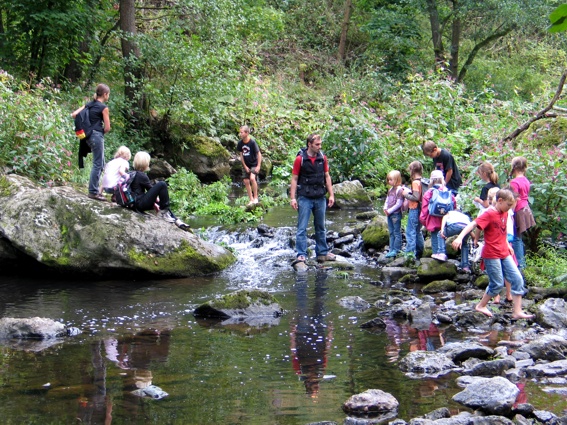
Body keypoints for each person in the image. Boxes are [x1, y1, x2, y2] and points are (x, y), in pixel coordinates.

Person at [451, 188, 533, 319]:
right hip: (491, 253)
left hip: (504, 252)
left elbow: (502, 231)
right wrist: (460, 237)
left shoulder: (505, 213)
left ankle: (517, 311)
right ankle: (481, 305)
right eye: (508, 205)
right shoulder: (489, 213)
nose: (509, 208)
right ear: (500, 201)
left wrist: (507, 245)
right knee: (497, 283)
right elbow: (472, 224)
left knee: (517, 279)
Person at [290, 133, 336, 264]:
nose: (319, 147)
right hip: (305, 197)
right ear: (309, 144)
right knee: (302, 227)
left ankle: (322, 253)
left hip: (320, 197)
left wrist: (331, 194)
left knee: (321, 226)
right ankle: (301, 254)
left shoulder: (323, 158)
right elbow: (294, 178)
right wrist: (293, 198)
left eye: (320, 144)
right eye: (317, 144)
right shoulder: (300, 159)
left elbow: (327, 176)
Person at [130, 151, 190, 230]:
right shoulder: (142, 176)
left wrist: (156, 202)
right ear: (145, 163)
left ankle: (176, 220)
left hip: (134, 203)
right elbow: (151, 191)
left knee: (161, 203)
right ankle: (167, 215)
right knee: (162, 184)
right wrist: (157, 201)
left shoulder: (132, 173)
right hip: (139, 204)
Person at [72, 84, 111, 201]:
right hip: (97, 135)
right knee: (98, 164)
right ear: (105, 94)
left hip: (87, 136)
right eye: (108, 94)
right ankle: (93, 192)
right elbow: (108, 127)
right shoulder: (103, 108)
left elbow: (74, 114)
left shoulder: (89, 104)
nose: (108, 96)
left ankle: (97, 190)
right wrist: (100, 133)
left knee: (101, 163)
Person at [420, 170, 457, 261]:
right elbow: (454, 205)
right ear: (442, 179)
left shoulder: (429, 192)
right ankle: (442, 253)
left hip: (433, 219)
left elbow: (425, 209)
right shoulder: (448, 192)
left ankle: (436, 255)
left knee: (434, 236)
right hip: (444, 220)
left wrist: (423, 220)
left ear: (431, 180)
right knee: (442, 235)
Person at [509, 156, 536, 270]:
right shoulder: (526, 180)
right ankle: (520, 263)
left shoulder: (514, 182)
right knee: (519, 237)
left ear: (514, 167)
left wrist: (510, 213)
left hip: (518, 210)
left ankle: (520, 264)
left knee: (516, 238)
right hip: (526, 209)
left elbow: (514, 199)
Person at [403, 161, 425, 259]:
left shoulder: (415, 182)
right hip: (421, 209)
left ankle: (409, 254)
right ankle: (420, 251)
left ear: (412, 170)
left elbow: (416, 197)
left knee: (410, 231)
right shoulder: (423, 181)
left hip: (414, 208)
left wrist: (405, 195)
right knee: (417, 230)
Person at [237, 125, 262, 206]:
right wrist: (245, 166)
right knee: (246, 181)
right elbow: (241, 155)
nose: (240, 134)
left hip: (254, 163)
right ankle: (251, 199)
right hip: (246, 164)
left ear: (247, 133)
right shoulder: (240, 143)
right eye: (240, 132)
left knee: (252, 178)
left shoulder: (252, 142)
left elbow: (259, 154)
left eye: (242, 132)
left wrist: (258, 166)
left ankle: (256, 198)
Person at [383, 170, 404, 258]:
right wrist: (385, 208)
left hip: (395, 214)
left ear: (397, 180)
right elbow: (387, 200)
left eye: (391, 180)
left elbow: (399, 203)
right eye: (388, 180)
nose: (389, 182)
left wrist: (390, 210)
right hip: (389, 214)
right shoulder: (390, 189)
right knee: (391, 232)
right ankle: (391, 248)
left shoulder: (399, 190)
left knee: (396, 232)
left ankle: (396, 249)